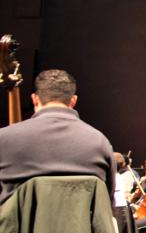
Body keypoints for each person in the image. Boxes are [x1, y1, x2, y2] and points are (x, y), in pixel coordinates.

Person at [0, 69, 116, 206]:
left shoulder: (4, 138)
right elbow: (106, 202)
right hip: (79, 227)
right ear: (73, 101)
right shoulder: (100, 142)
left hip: (17, 228)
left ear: (35, 100)